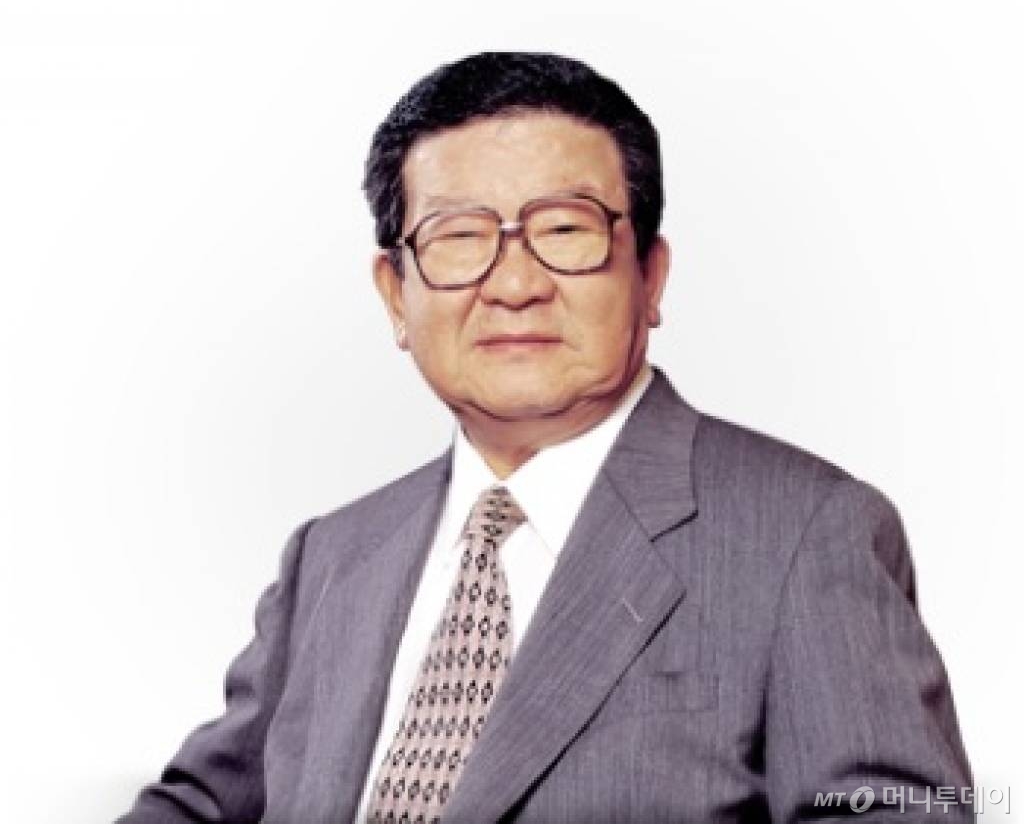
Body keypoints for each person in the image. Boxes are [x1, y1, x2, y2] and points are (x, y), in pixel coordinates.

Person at [118, 52, 972, 824]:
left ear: (650, 277)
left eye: (565, 230)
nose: (515, 284)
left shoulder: (805, 534)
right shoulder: (332, 557)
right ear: (395, 297)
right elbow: (198, 807)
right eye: (459, 238)